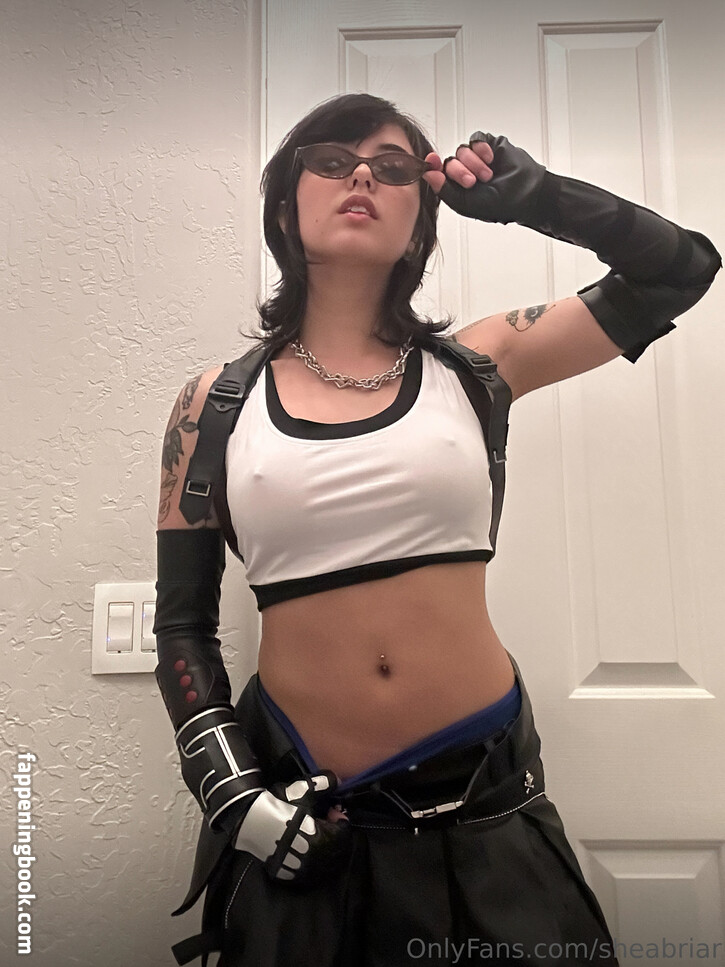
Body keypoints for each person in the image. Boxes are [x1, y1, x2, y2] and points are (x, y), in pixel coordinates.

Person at [153, 93, 721, 967]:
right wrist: (232, 795)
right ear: (284, 203)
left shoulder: (481, 364)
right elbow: (183, 625)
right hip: (306, 823)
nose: (360, 178)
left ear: (421, 217)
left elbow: (679, 269)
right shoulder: (213, 403)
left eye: (390, 168)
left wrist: (539, 198)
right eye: (331, 160)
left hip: (487, 808)